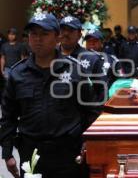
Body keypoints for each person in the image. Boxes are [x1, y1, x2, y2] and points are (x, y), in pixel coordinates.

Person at [0, 13, 101, 178]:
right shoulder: (18, 74)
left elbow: (92, 111)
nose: (38, 39)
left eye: (44, 34)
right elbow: (8, 116)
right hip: (31, 153)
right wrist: (7, 152)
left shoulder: (75, 71)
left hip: (68, 154)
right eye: (33, 34)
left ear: (57, 37)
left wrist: (89, 143)